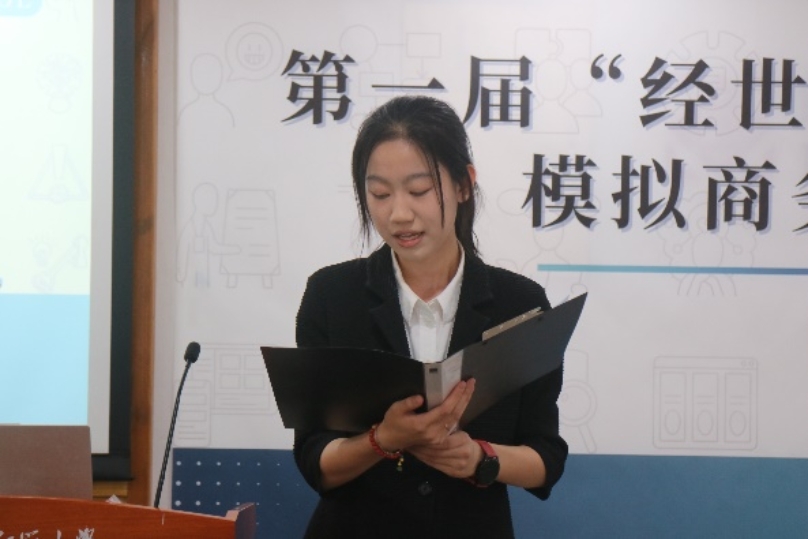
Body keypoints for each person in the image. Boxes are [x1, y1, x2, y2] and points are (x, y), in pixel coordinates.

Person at [294, 95, 567, 538]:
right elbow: (314, 460)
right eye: (380, 194)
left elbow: (546, 459)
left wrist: (480, 458)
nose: (399, 214)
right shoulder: (331, 296)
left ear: (463, 184)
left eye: (419, 191)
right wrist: (383, 440)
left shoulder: (520, 304)